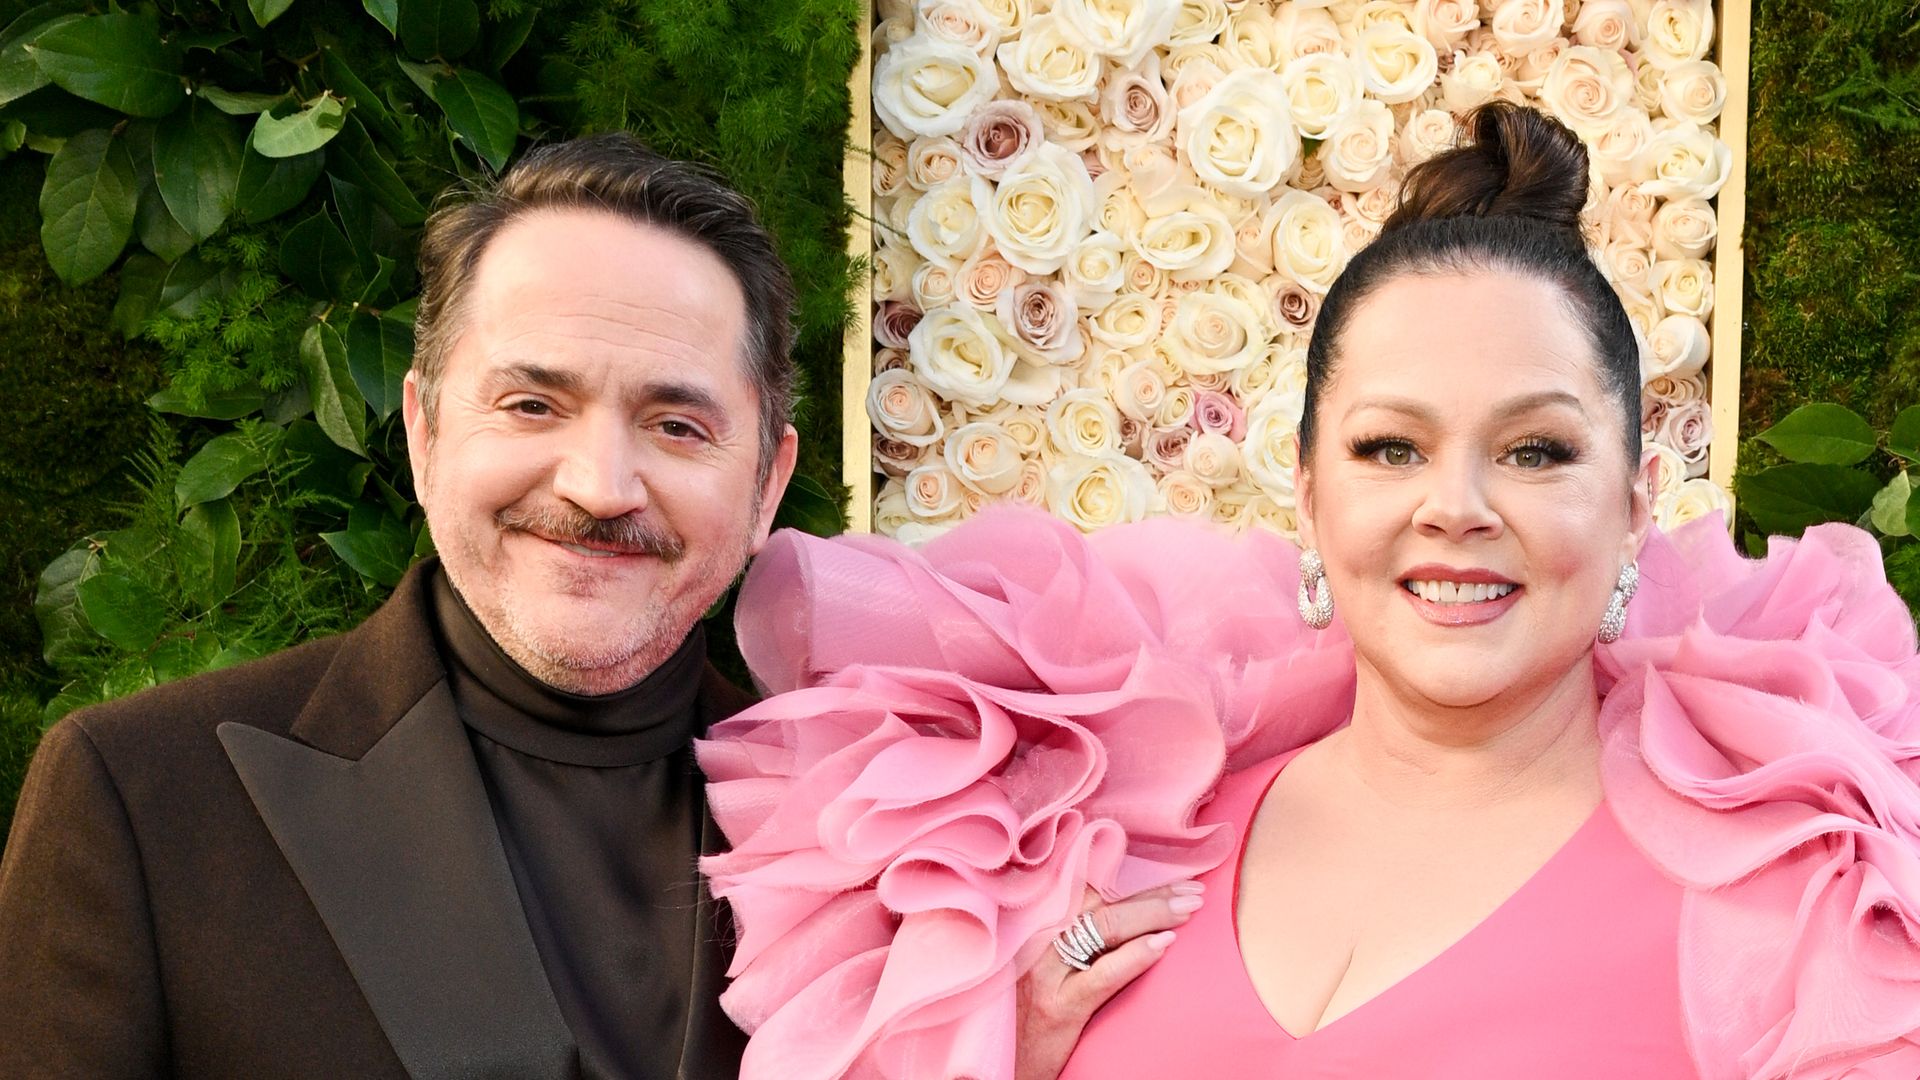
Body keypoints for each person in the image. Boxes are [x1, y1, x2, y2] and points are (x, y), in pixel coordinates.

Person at [693, 104, 1920, 1079]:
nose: (1458, 505)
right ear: (1307, 493)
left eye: (1537, 450)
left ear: (1640, 501)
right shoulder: (1114, 836)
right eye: (1391, 448)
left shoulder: (1796, 901)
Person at [0, 133, 798, 1079]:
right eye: (532, 405)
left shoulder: (884, 827)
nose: (599, 486)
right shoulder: (140, 796)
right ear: (424, 432)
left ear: (766, 484)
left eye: (676, 425)